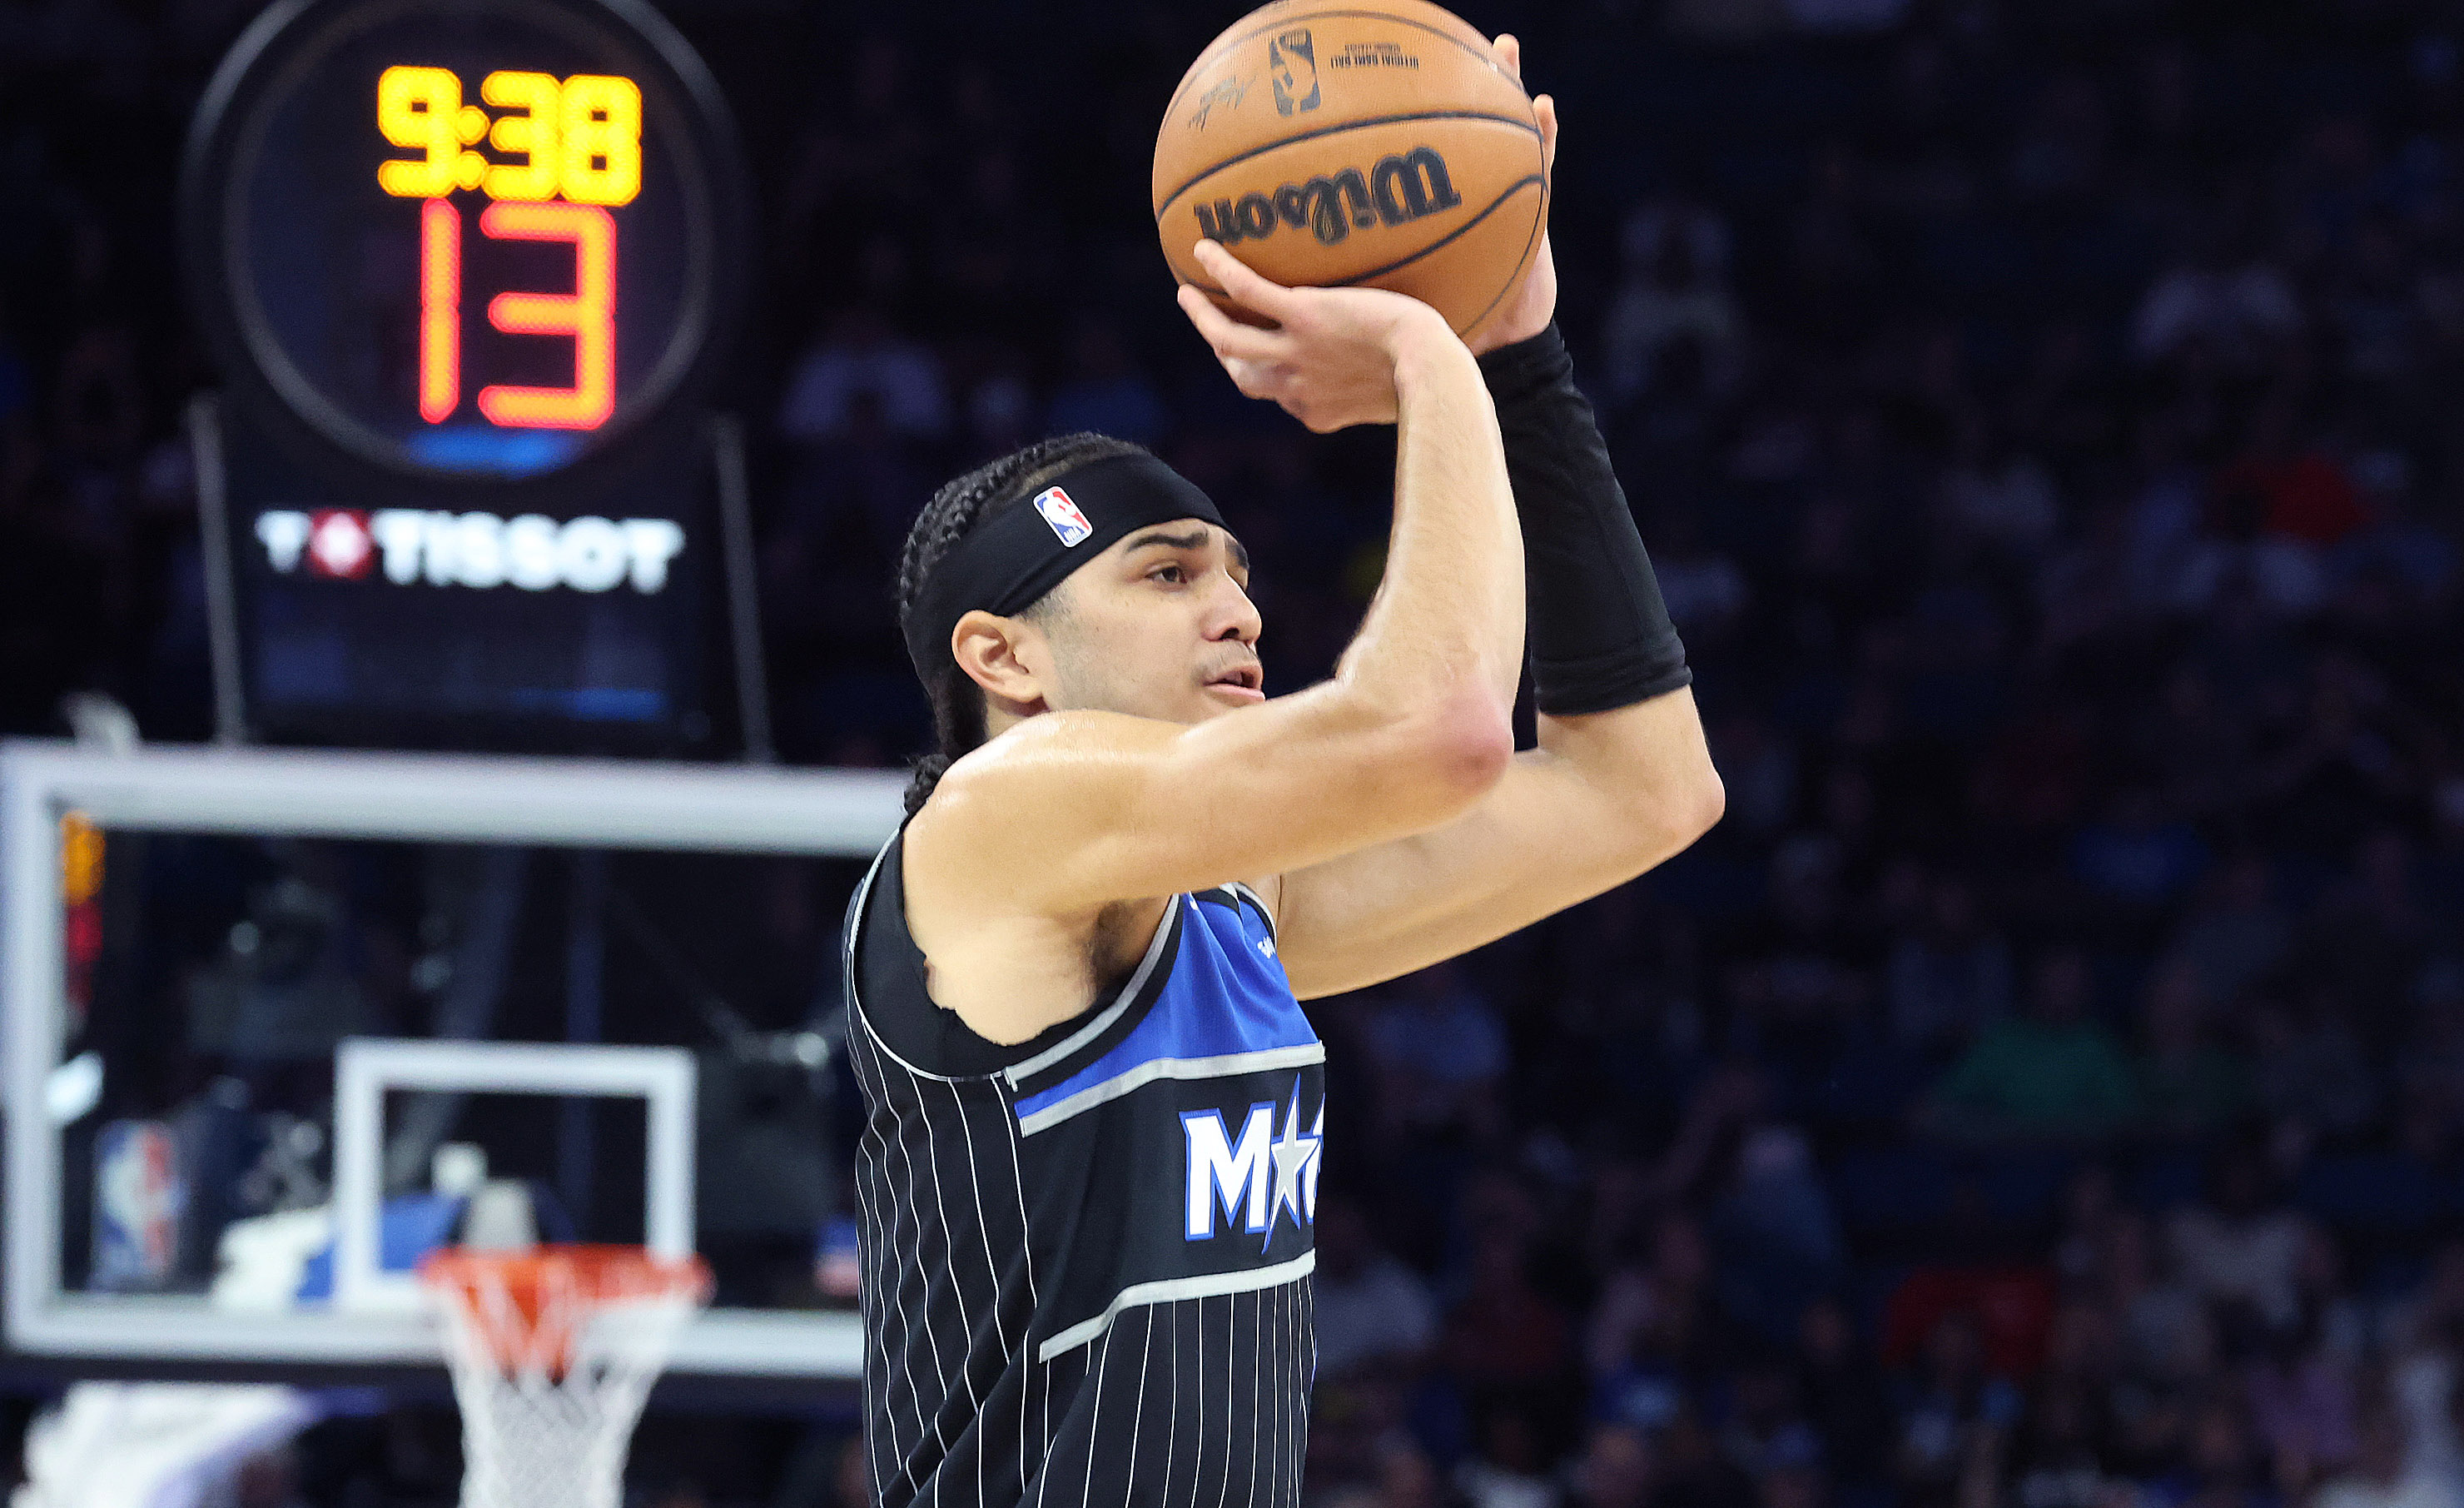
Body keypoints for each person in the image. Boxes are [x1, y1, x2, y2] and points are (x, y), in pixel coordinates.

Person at [838, 37, 1725, 1508]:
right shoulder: (993, 824)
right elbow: (1437, 734)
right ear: (1004, 659)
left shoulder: (1224, 910)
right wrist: (1430, 355)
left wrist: (1525, 353)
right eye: (1167, 573)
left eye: (1238, 573)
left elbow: (1648, 790)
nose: (1238, 610)